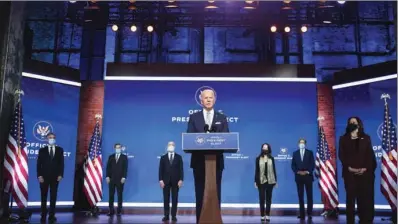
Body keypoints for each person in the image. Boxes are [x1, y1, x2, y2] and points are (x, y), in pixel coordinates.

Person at [187, 88, 229, 222]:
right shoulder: (194, 117)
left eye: (211, 97)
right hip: (199, 162)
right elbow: (189, 138)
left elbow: (227, 138)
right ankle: (200, 220)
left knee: (216, 193)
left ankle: (215, 220)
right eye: (206, 98)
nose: (209, 100)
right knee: (200, 194)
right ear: (201, 101)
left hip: (216, 162)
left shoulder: (221, 118)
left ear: (214, 100)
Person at [338, 117, 376, 224]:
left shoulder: (366, 138)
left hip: (364, 174)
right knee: (350, 199)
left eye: (354, 122)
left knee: (363, 199)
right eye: (350, 123)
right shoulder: (343, 138)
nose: (352, 124)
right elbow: (342, 155)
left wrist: (365, 168)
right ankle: (350, 220)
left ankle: (364, 219)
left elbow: (370, 156)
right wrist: (349, 167)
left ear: (359, 124)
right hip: (349, 174)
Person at [36, 133, 64, 222]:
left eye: (53, 138)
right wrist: (39, 175)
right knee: (43, 196)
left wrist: (60, 174)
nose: (52, 139)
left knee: (53, 197)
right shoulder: (42, 150)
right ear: (47, 139)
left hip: (55, 178)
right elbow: (38, 164)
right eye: (50, 138)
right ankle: (43, 214)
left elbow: (61, 164)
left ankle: (52, 215)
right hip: (44, 177)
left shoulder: (60, 150)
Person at [158, 141, 184, 222]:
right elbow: (160, 170)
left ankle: (173, 216)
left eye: (172, 145)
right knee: (166, 199)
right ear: (167, 146)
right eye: (169, 145)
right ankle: (166, 215)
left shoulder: (179, 157)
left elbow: (181, 170)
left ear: (174, 146)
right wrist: (161, 180)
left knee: (175, 199)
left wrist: (181, 179)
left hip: (176, 181)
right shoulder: (163, 157)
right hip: (165, 181)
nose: (171, 146)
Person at [291, 138, 315, 220]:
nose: (302, 144)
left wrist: (307, 172)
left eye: (303, 143)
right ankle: (302, 214)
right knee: (300, 196)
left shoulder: (310, 153)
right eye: (300, 143)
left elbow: (312, 164)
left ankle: (309, 213)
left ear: (305, 144)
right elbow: (293, 165)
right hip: (299, 177)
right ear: (298, 144)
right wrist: (298, 172)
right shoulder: (295, 153)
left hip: (308, 176)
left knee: (309, 196)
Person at [254, 143, 277, 222]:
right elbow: (256, 171)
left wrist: (275, 181)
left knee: (268, 199)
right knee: (261, 199)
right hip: (261, 181)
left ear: (269, 149)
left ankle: (267, 215)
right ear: (262, 149)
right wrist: (255, 181)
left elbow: (274, 170)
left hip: (270, 181)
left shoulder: (272, 158)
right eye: (263, 148)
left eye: (266, 148)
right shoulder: (258, 158)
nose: (265, 150)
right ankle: (262, 215)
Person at [106, 143, 128, 216]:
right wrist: (107, 176)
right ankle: (111, 210)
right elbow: (108, 168)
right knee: (111, 195)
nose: (118, 149)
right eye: (116, 148)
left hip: (120, 179)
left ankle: (119, 211)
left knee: (119, 195)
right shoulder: (111, 157)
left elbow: (125, 168)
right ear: (114, 148)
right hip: (111, 179)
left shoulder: (124, 157)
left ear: (121, 148)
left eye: (119, 148)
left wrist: (124, 177)